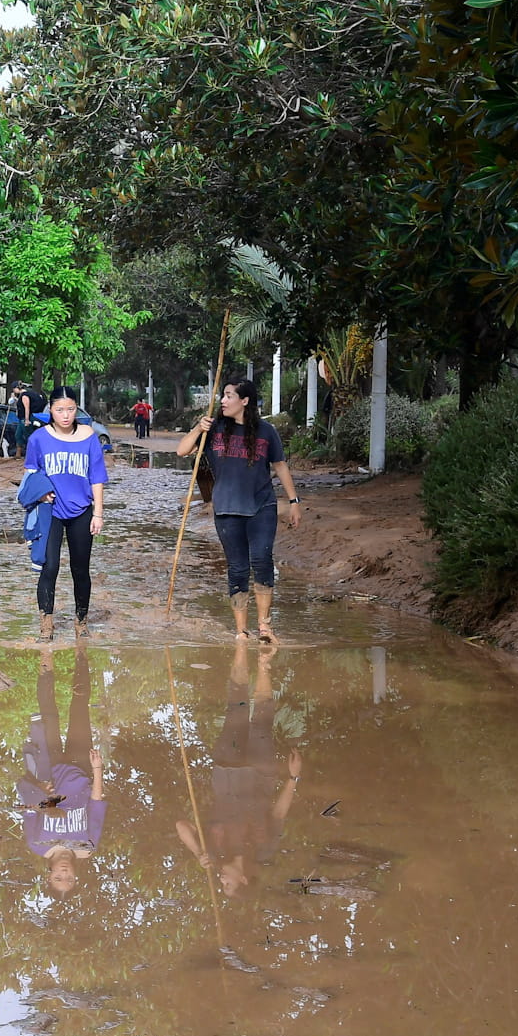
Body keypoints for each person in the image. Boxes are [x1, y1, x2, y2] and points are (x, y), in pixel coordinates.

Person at [176, 377, 300, 641]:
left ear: (244, 400)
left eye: (229, 395)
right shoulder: (214, 429)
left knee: (262, 561)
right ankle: (241, 630)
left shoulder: (266, 431)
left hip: (262, 506)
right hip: (226, 509)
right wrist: (198, 429)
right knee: (238, 568)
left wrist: (294, 502)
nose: (223, 400)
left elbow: (280, 466)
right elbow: (181, 451)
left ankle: (265, 627)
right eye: (223, 395)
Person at [177, 641, 301, 897]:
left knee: (236, 709)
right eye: (228, 884)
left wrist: (198, 852)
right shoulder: (264, 849)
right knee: (262, 720)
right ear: (243, 880)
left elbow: (181, 825)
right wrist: (293, 777)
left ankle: (241, 645)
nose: (222, 880)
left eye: (222, 885)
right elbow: (278, 814)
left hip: (227, 771)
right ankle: (264, 663)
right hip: (261, 775)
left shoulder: (213, 854)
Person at [19, 644, 104, 898]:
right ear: (76, 876)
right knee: (80, 708)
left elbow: (28, 807)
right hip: (81, 769)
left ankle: (46, 654)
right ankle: (81, 653)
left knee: (49, 712)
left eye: (58, 878)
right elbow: (96, 804)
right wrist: (97, 769)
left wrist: (39, 790)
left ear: (49, 875)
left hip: (49, 768)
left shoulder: (36, 844)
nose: (64, 873)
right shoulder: (88, 847)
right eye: (69, 879)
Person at [24, 386, 108, 640]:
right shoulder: (38, 439)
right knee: (49, 567)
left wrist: (98, 513)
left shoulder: (89, 437)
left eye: (70, 409)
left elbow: (97, 477)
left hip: (81, 511)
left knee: (80, 569)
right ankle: (46, 627)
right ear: (50, 410)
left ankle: (81, 623)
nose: (65, 415)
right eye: (60, 409)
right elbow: (30, 474)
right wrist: (40, 494)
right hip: (50, 512)